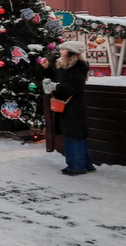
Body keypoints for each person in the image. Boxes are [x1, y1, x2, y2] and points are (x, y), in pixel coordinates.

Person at [40, 41, 93, 176]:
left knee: (73, 135)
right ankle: (85, 164)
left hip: (73, 107)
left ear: (71, 51)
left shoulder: (78, 66)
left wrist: (55, 87)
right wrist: (47, 68)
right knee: (76, 135)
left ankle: (76, 166)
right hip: (66, 105)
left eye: (63, 49)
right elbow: (58, 79)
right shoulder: (64, 65)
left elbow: (75, 87)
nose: (60, 51)